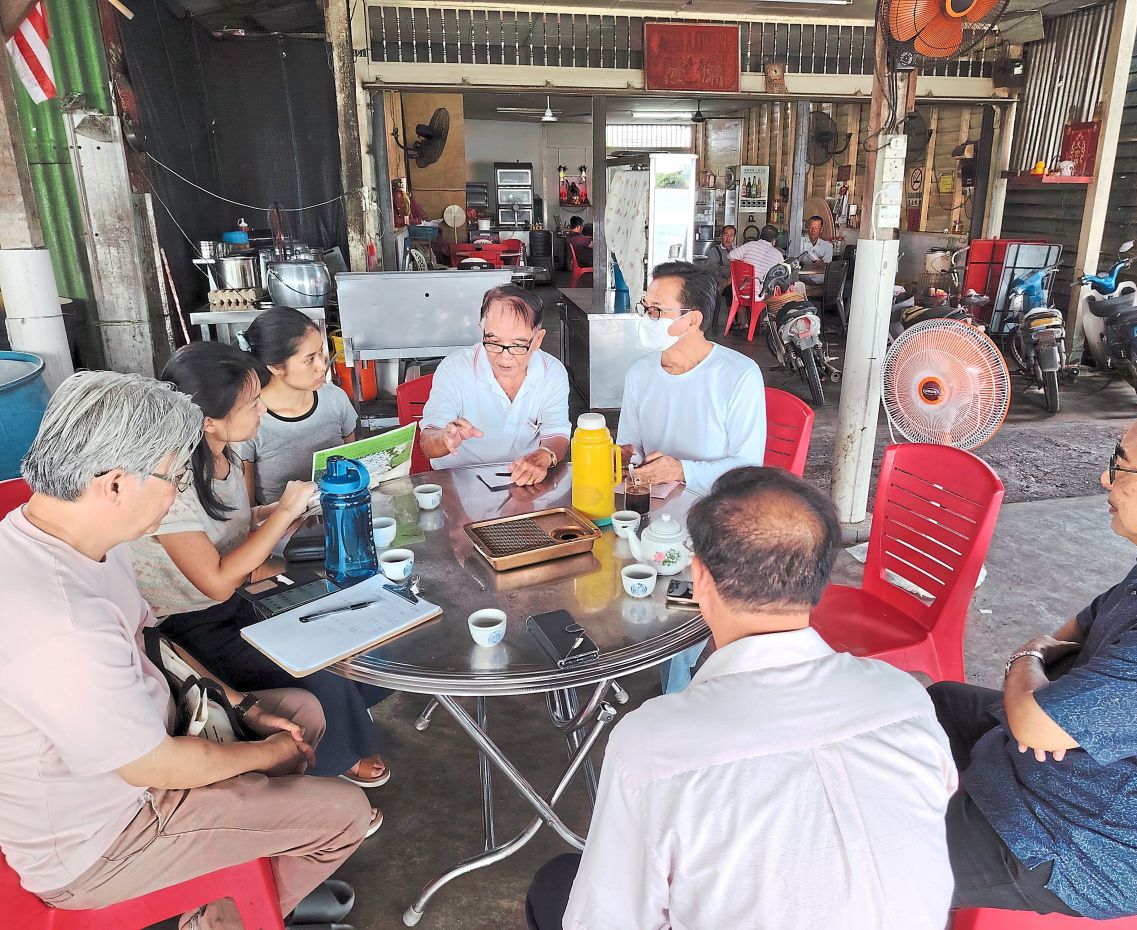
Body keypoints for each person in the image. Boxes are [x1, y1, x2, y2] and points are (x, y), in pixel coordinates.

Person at [0, 371, 371, 929]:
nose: (177, 492)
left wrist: (244, 705)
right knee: (346, 812)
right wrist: (268, 754)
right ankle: (224, 917)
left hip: (153, 748)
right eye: (172, 475)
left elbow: (157, 649)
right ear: (116, 484)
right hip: (108, 838)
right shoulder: (61, 624)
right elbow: (155, 765)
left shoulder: (74, 539)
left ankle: (248, 880)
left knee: (301, 711)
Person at [526, 467, 957, 930]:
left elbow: (604, 922)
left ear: (700, 579)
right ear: (819, 582)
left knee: (557, 884)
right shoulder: (905, 699)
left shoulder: (651, 745)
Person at [928, 397, 1137, 919]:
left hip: (1072, 842)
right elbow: (1081, 627)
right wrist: (1042, 698)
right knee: (937, 703)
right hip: (1060, 766)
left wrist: (1028, 655)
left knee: (865, 850)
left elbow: (1035, 719)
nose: (1105, 480)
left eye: (1122, 467)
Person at [128, 341, 392, 794]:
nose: (261, 412)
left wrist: (269, 513)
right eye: (252, 404)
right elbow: (213, 581)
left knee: (351, 631)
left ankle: (347, 728)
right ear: (208, 420)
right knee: (315, 672)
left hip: (237, 598)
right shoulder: (170, 484)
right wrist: (285, 515)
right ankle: (329, 769)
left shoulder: (220, 453)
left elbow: (228, 526)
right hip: (190, 624)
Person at [619, 261, 766, 693]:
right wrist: (626, 458)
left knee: (676, 607)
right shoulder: (640, 373)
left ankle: (677, 679)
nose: (645, 319)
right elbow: (630, 445)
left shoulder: (737, 375)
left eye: (655, 311)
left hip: (714, 518)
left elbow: (747, 470)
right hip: (651, 511)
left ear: (692, 319)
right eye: (645, 307)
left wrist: (681, 469)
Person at [420, 285, 570, 485]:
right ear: (483, 332)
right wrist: (444, 438)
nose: (505, 356)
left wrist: (542, 456)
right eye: (494, 341)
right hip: (459, 483)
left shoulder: (552, 372)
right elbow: (427, 443)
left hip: (524, 482)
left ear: (537, 340)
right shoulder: (454, 369)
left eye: (518, 345)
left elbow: (557, 432)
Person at [236, 307, 357, 505]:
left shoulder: (335, 399)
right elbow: (248, 511)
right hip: (282, 532)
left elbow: (354, 467)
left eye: (321, 352)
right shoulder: (249, 420)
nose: (321, 365)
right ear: (275, 367)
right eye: (309, 359)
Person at [728, 223, 785, 295]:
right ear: (774, 240)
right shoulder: (778, 255)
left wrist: (743, 265)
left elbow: (730, 256)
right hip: (762, 297)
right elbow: (781, 276)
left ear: (760, 235)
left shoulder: (749, 245)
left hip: (741, 292)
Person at [798, 214, 834, 285]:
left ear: (821, 229)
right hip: (801, 275)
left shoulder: (827, 246)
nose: (813, 230)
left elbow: (827, 265)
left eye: (816, 228)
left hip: (817, 277)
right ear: (807, 227)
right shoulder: (799, 242)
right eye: (811, 227)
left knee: (826, 278)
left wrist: (822, 264)